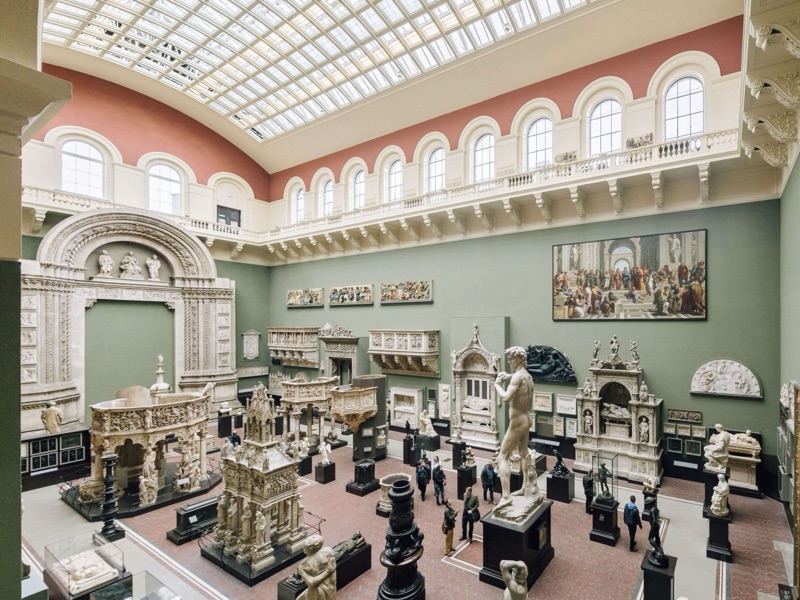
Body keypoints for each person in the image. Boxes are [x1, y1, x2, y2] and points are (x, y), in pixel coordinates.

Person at [493, 346, 534, 511]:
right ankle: (525, 487)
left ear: (519, 359)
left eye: (511, 358)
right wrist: (509, 376)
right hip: (527, 419)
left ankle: (506, 496)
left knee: (502, 456)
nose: (509, 361)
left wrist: (496, 384)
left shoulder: (517, 377)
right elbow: (519, 378)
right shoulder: (528, 376)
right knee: (523, 453)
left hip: (517, 422)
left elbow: (506, 397)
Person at [297, 534, 336, 600]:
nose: (303, 548)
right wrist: (328, 571)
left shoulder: (303, 565)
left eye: (304, 546)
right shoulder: (328, 551)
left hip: (316, 592)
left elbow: (311, 582)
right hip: (329, 588)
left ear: (310, 548)